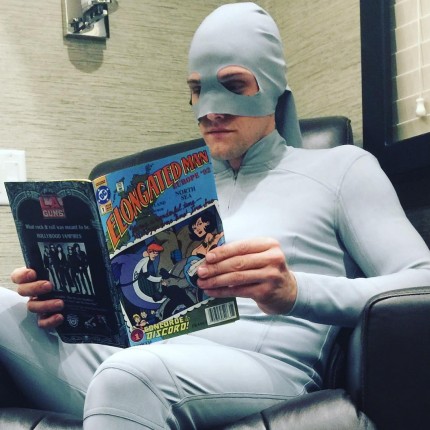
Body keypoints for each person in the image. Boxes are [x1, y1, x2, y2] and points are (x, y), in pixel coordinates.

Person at [4, 2, 430, 429]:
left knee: (128, 377)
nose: (210, 111)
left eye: (233, 84)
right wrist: (70, 300)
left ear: (272, 86)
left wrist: (296, 290)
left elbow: (422, 281)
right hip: (144, 360)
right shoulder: (170, 187)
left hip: (265, 368)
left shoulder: (342, 169)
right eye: (197, 88)